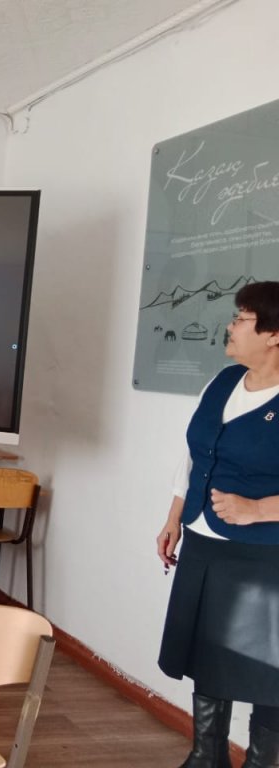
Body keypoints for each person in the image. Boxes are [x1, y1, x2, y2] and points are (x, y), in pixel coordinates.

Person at [157, 281, 279, 768]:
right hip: (203, 542)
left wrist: (259, 509)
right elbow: (192, 456)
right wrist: (173, 519)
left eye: (242, 319)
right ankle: (205, 757)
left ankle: (261, 762)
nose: (230, 327)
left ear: (274, 334)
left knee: (267, 667)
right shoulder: (224, 381)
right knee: (205, 651)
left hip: (263, 553)